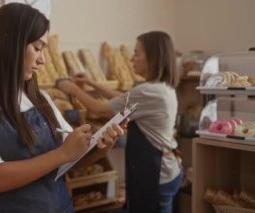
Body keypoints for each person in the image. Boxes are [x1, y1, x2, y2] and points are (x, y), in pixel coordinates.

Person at [0, 3, 126, 213]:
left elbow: (70, 159)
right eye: (37, 48)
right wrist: (61, 155)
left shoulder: (39, 97)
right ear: (8, 43)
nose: (42, 59)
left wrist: (100, 148)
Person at [57, 31, 182, 213]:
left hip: (156, 174)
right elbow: (124, 99)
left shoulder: (148, 91)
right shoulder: (161, 89)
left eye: (137, 53)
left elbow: (100, 109)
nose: (132, 59)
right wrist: (92, 83)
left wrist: (74, 90)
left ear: (153, 58)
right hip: (165, 170)